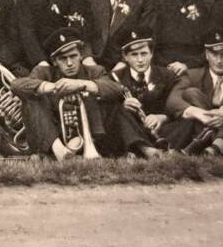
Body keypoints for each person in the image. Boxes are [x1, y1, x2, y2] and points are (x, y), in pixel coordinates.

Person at [10, 28, 159, 160]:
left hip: (96, 135)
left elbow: (116, 89)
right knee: (33, 102)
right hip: (57, 136)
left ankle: (145, 149)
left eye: (73, 56)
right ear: (54, 61)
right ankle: (61, 152)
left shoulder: (94, 71)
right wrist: (49, 86)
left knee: (115, 103)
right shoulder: (44, 73)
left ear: (81, 55)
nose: (69, 63)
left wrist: (83, 84)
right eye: (63, 59)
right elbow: (16, 85)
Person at [161, 30, 223, 155]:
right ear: (206, 55)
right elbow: (172, 101)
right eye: (214, 55)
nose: (218, 61)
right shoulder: (192, 75)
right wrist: (201, 114)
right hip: (202, 128)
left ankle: (217, 146)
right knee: (191, 92)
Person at [108, 28, 176, 141]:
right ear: (125, 57)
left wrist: (162, 118)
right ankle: (143, 146)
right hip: (132, 129)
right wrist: (123, 106)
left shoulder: (167, 75)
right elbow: (111, 114)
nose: (140, 60)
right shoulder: (115, 77)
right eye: (134, 55)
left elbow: (174, 109)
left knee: (185, 123)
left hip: (162, 128)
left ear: (151, 54)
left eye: (144, 54)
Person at [150, 0, 214, 72]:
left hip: (196, 68)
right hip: (164, 67)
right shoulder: (160, 5)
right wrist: (168, 66)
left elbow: (211, 47)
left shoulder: (207, 6)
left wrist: (187, 66)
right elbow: (154, 43)